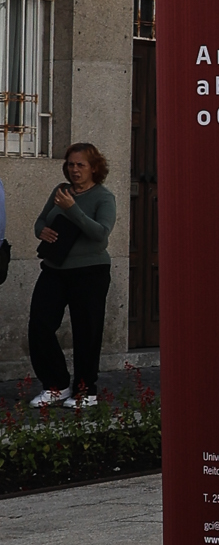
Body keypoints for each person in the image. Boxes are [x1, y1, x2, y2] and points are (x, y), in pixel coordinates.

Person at [29, 142, 115, 410]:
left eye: (81, 165)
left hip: (90, 272)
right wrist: (41, 231)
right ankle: (55, 385)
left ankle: (85, 390)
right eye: (70, 164)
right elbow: (41, 221)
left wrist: (73, 209)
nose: (74, 170)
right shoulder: (61, 190)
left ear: (94, 168)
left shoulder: (104, 197)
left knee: (86, 332)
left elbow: (101, 234)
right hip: (55, 269)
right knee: (40, 325)